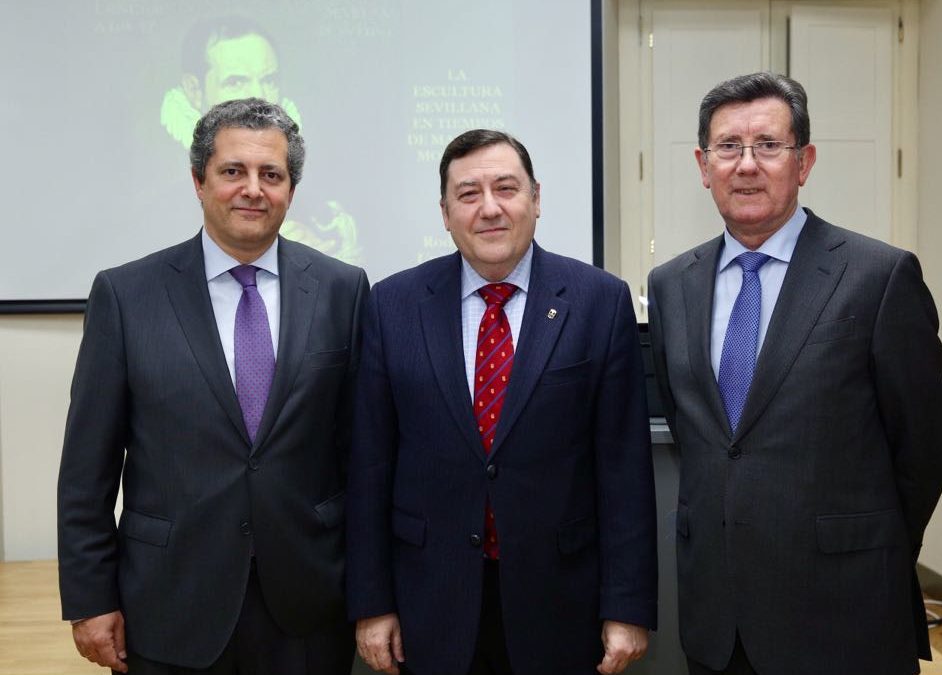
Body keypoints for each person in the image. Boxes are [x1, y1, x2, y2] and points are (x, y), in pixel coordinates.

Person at [647, 72, 942, 675]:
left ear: (805, 161)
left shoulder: (878, 276)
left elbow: (922, 443)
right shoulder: (671, 286)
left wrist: (871, 543)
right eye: (728, 147)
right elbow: (701, 438)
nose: (747, 165)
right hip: (719, 617)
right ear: (703, 165)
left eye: (768, 145)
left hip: (846, 610)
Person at [57, 97, 367, 674]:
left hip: (308, 601)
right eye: (233, 172)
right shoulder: (127, 296)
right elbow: (86, 469)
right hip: (170, 601)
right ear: (199, 181)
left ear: (290, 191)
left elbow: (361, 455)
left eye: (271, 175)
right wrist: (90, 599)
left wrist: (372, 594)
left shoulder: (342, 290)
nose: (253, 189)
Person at [345, 129, 658, 675]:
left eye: (506, 189)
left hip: (561, 601)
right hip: (431, 600)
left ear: (536, 199)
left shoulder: (599, 301)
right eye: (468, 194)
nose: (489, 208)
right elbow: (371, 465)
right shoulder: (392, 305)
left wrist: (627, 607)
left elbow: (623, 470)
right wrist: (372, 604)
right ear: (445, 213)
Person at [160, 16, 360, 263]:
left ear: (291, 190)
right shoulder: (151, 203)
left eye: (268, 80)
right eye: (232, 172)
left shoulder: (341, 279)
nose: (259, 94)